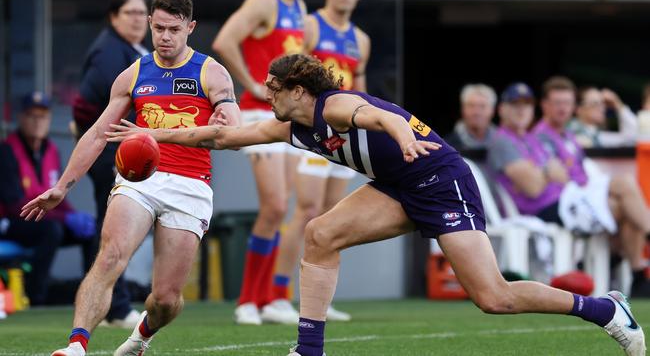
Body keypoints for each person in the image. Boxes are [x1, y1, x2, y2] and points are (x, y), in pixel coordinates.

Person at [107, 54, 646, 356]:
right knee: (320, 235)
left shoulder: (336, 105)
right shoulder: (287, 124)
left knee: (494, 298)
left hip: (439, 179)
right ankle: (309, 350)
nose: (266, 95)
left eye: (273, 88)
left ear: (299, 89)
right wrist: (157, 133)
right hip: (396, 184)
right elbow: (221, 138)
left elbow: (379, 117)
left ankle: (605, 310)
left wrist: (403, 135)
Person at [22, 0, 240, 355]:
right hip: (139, 181)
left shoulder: (210, 71)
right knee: (109, 256)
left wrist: (225, 123)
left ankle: (141, 336)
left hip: (190, 185)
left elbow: (234, 131)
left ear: (190, 27)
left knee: (167, 299)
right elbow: (96, 134)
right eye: (158, 28)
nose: (165, 37)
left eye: (174, 29)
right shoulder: (135, 73)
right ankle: (76, 344)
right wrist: (61, 187)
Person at [264, 0, 370, 324]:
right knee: (306, 210)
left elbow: (360, 87)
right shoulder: (310, 25)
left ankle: (318, 301)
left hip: (345, 132)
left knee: (331, 216)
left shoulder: (361, 39)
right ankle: (278, 296)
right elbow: (291, 76)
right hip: (315, 127)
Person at [212, 0, 308, 325]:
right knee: (275, 206)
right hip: (258, 115)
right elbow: (225, 41)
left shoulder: (299, 6)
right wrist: (253, 84)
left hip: (287, 116)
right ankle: (247, 300)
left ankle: (268, 299)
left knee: (283, 205)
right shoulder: (265, 0)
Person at [531, 76, 650, 297]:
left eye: (567, 103)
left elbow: (630, 136)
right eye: (557, 103)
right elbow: (559, 180)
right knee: (624, 187)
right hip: (559, 205)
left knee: (625, 206)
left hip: (578, 200)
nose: (563, 108)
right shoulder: (538, 137)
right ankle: (635, 260)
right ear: (544, 105)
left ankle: (637, 275)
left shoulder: (568, 135)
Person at [71, 0, 149, 329]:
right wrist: (97, 139)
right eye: (129, 12)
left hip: (122, 148)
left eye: (140, 13)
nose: (136, 18)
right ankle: (116, 308)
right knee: (115, 230)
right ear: (113, 16)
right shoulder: (108, 50)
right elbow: (91, 101)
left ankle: (107, 307)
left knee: (112, 226)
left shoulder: (133, 51)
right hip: (110, 151)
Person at [0, 92, 97, 306]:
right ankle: (37, 298)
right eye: (31, 116)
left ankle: (91, 296)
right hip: (12, 222)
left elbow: (56, 194)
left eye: (43, 116)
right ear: (21, 119)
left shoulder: (51, 150)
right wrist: (64, 219)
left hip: (43, 219)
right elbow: (14, 206)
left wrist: (72, 215)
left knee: (91, 231)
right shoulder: (6, 150)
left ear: (49, 120)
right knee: (52, 230)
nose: (37, 122)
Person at [568, 86, 638, 148]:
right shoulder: (569, 132)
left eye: (603, 103)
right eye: (595, 103)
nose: (602, 108)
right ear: (578, 109)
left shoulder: (597, 135)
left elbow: (633, 137)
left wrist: (618, 105)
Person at [444, 83, 497, 151]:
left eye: (482, 106)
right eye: (471, 106)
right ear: (463, 109)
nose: (477, 112)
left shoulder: (504, 143)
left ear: (492, 111)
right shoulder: (448, 145)